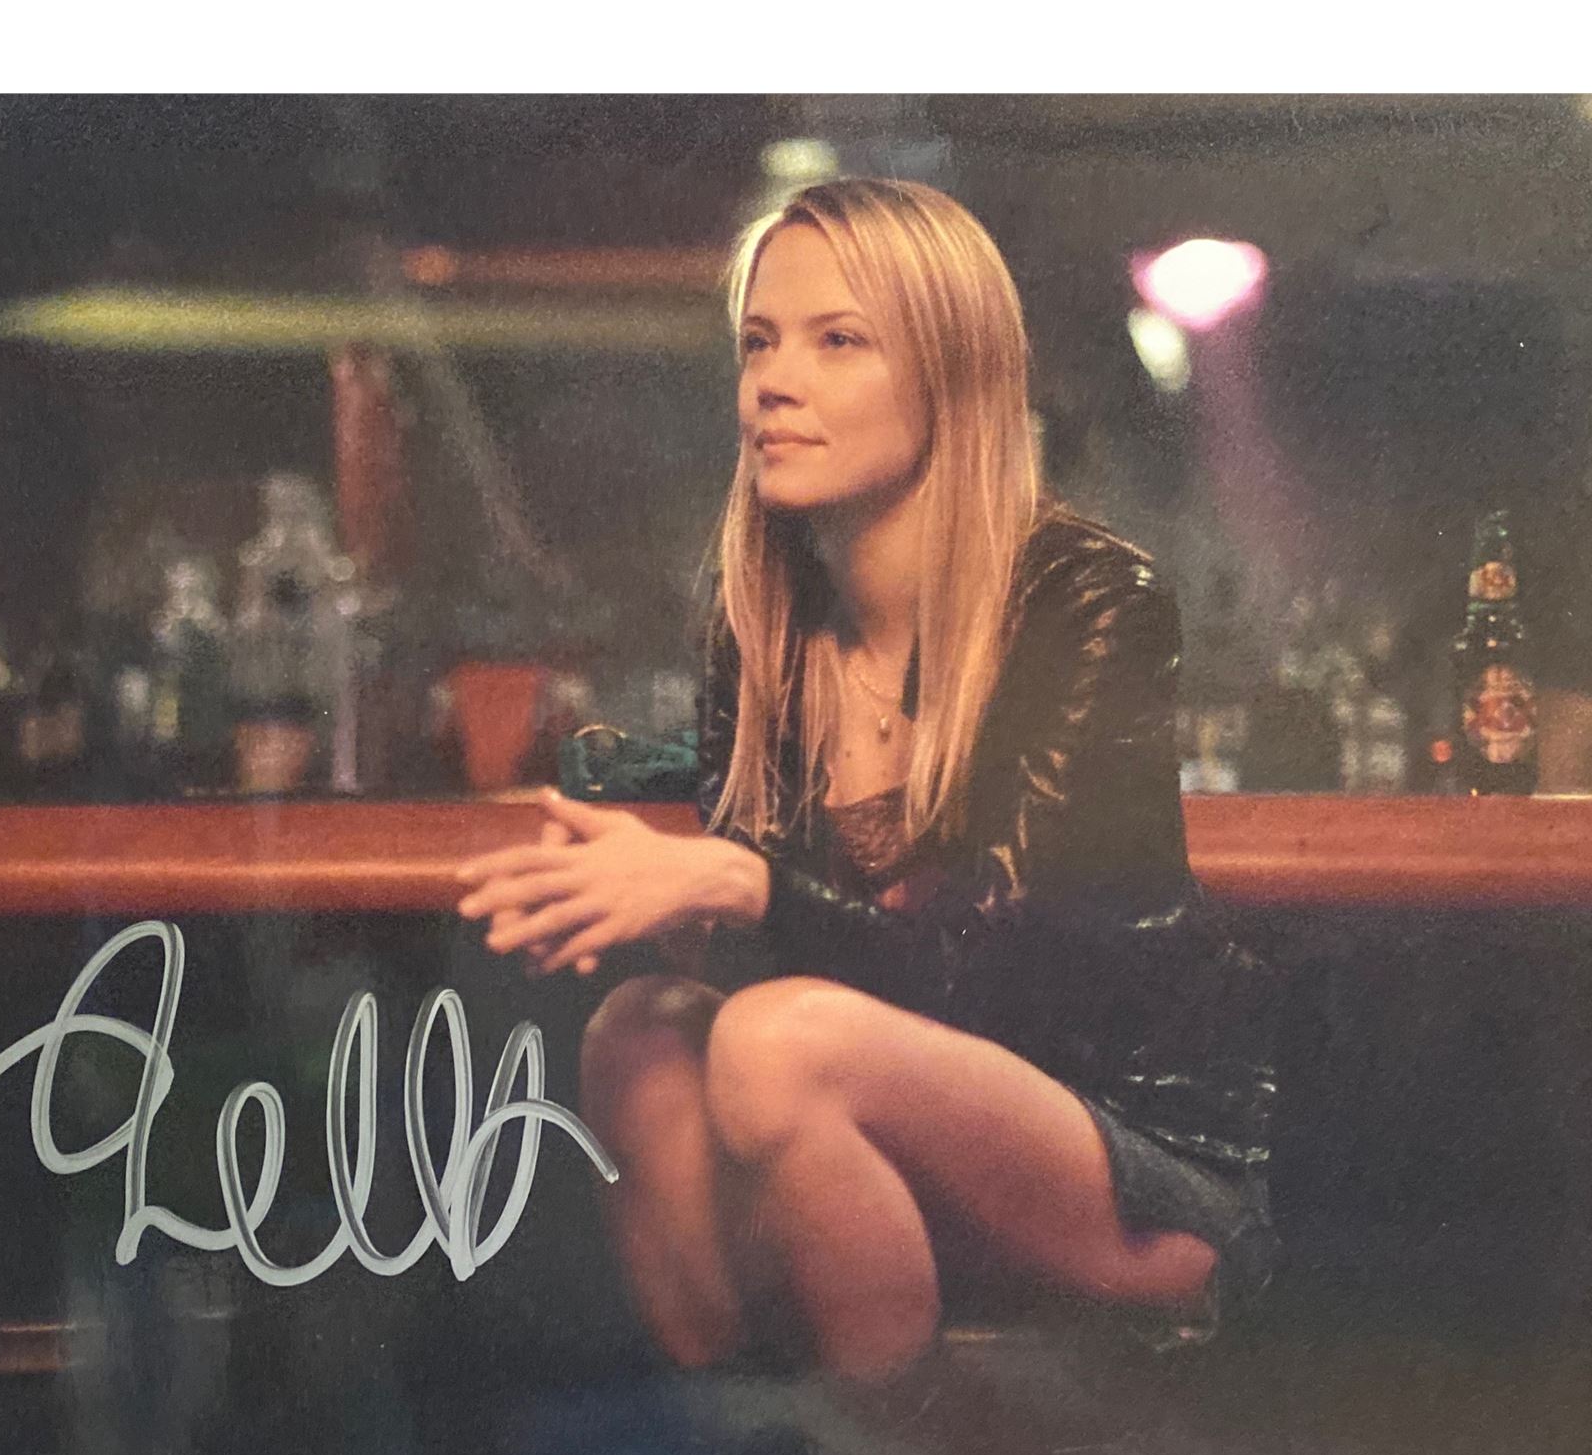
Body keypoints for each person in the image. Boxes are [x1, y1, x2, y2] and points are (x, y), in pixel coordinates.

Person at [455, 179, 1277, 1383]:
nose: (772, 383)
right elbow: (772, 976)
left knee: (774, 1042)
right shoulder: (760, 624)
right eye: (759, 343)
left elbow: (1011, 963)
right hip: (863, 1135)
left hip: (1126, 1157)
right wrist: (668, 897)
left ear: (952, 376)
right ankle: (753, 1435)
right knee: (641, 1034)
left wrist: (739, 884)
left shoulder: (1087, 600)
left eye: (837, 342)